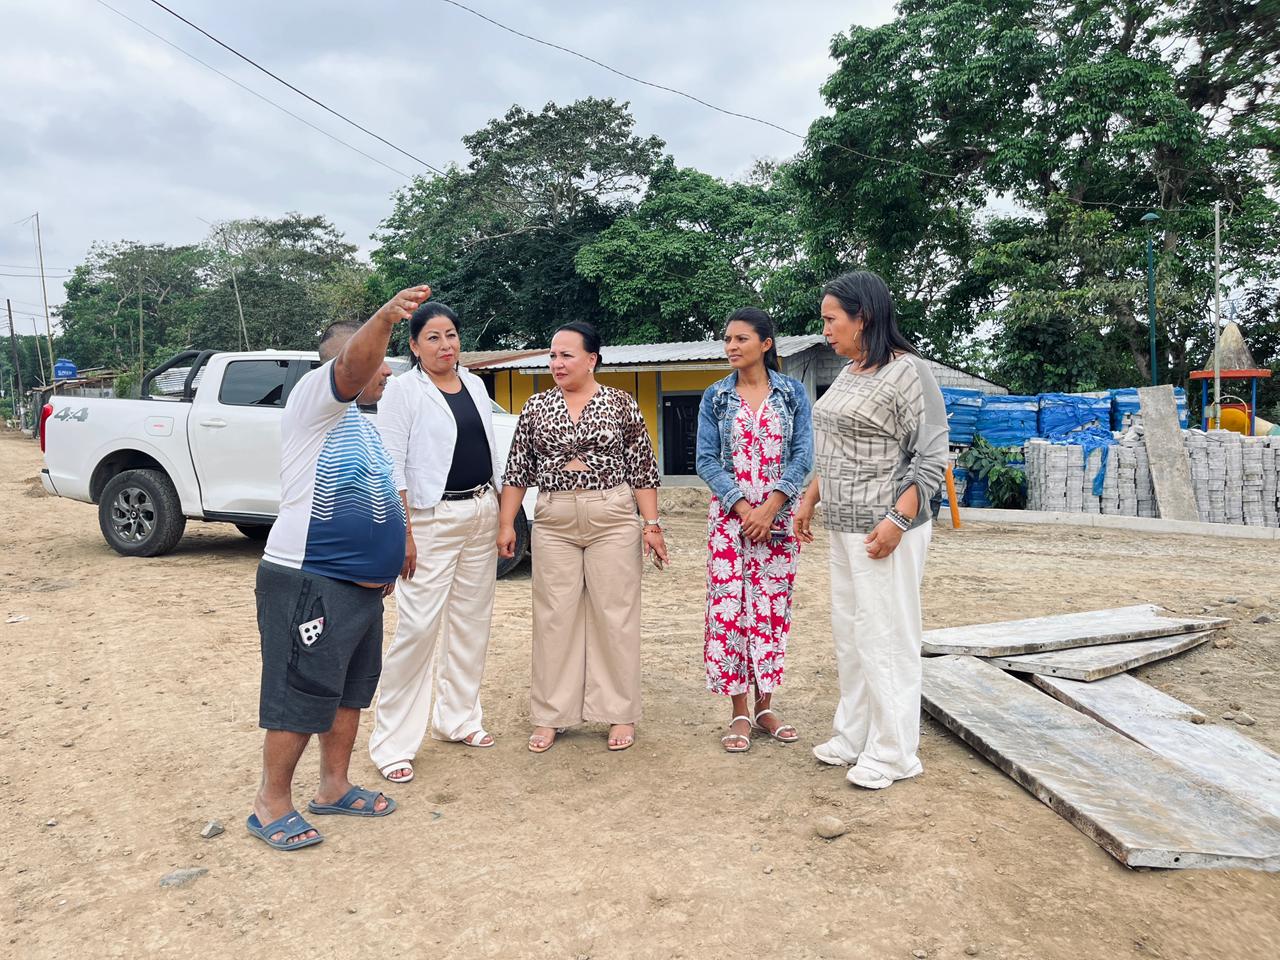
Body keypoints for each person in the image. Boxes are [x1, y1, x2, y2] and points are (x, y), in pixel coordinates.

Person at [247, 284, 429, 850]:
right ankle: (270, 803)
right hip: (310, 580)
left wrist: (395, 548)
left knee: (350, 692)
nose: (387, 372)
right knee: (300, 693)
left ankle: (334, 786)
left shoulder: (364, 423)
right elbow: (352, 364)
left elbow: (379, 493)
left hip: (359, 590)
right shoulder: (314, 401)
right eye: (380, 361)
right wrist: (385, 318)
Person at [794, 270, 947, 790]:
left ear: (864, 318)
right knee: (852, 634)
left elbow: (931, 457)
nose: (825, 330)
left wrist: (897, 520)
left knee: (887, 637)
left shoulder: (909, 372)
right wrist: (810, 498)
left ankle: (894, 752)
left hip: (885, 531)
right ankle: (854, 735)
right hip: (843, 526)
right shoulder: (852, 370)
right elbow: (835, 446)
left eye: (831, 320)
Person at [497, 321, 667, 753]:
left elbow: (643, 467)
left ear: (591, 359)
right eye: (553, 355)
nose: (557, 363)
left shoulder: (620, 403)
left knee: (615, 615)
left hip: (612, 516)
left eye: (566, 355)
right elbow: (518, 468)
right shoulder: (536, 407)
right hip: (554, 519)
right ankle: (552, 714)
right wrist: (506, 523)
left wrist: (651, 524)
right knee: (554, 617)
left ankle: (619, 712)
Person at [367, 302, 505, 785]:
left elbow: (488, 450)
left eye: (451, 335)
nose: (446, 345)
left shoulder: (475, 385)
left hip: (480, 511)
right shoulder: (403, 392)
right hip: (430, 520)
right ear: (414, 345)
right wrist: (402, 532)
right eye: (433, 337)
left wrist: (500, 514)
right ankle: (393, 743)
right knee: (418, 629)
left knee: (471, 623)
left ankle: (458, 719)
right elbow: (392, 466)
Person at [696, 307, 813, 754]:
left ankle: (766, 707)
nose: (731, 346)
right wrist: (745, 508)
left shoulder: (792, 394)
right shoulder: (716, 397)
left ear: (765, 344)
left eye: (741, 339)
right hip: (731, 521)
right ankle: (740, 711)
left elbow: (803, 455)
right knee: (731, 612)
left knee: (771, 610)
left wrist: (771, 507)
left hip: (779, 521)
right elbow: (706, 459)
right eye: (728, 339)